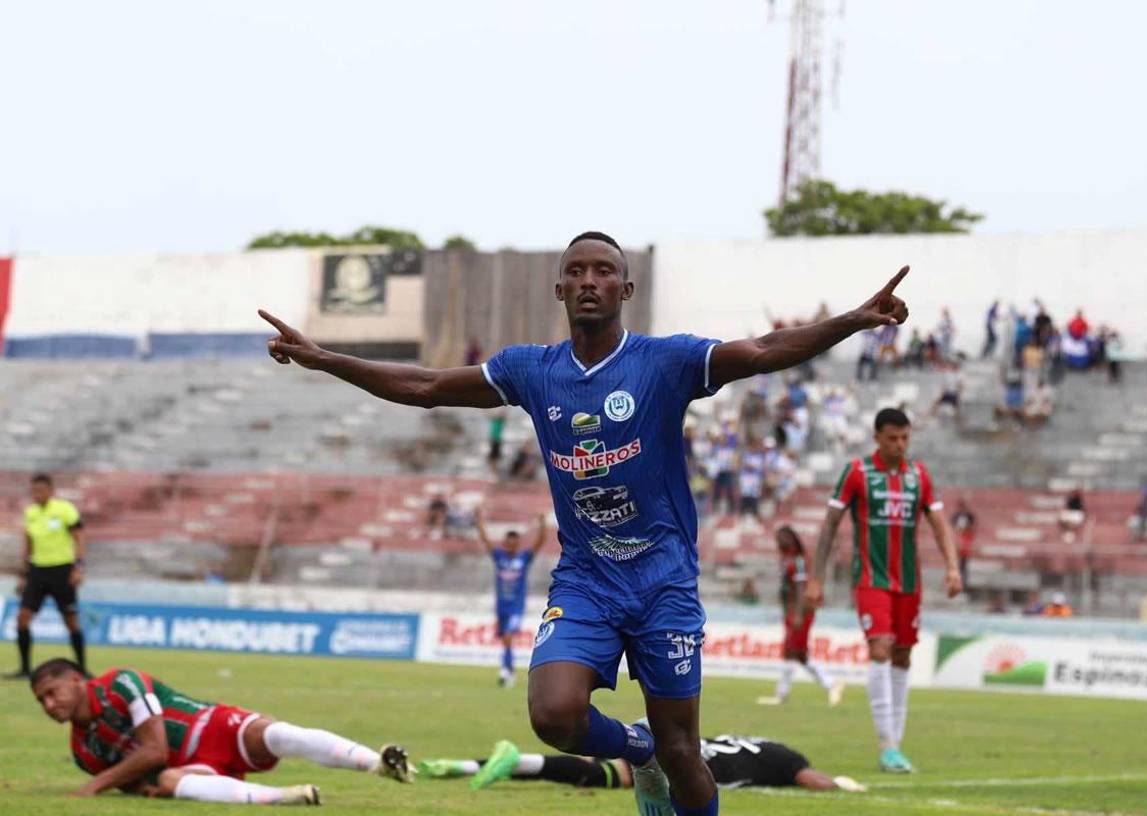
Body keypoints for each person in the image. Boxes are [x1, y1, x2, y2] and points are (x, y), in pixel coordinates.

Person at [259, 230, 911, 816]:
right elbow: (428, 386)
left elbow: (766, 349)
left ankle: (660, 756)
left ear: (625, 289)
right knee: (554, 713)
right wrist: (327, 360)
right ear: (560, 287)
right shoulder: (531, 371)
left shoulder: (665, 362)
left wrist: (854, 319)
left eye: (604, 271)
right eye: (578, 271)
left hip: (663, 583)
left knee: (686, 751)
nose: (590, 281)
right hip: (587, 582)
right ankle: (637, 749)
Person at [807, 408, 961, 774]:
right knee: (880, 648)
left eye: (905, 438)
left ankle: (896, 745)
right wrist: (817, 577)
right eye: (892, 438)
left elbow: (939, 523)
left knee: (903, 657)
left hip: (909, 582)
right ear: (877, 437)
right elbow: (830, 525)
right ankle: (887, 744)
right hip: (871, 579)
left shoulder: (919, 475)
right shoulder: (858, 472)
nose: (899, 445)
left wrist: (953, 567)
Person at [28, 658, 410, 802]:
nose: (49, 705)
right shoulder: (83, 751)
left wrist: (93, 788)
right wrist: (143, 787)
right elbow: (136, 780)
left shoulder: (122, 683)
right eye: (41, 701)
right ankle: (286, 797)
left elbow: (154, 750)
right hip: (194, 768)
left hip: (210, 727)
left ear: (77, 680)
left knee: (273, 734)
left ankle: (378, 763)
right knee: (170, 782)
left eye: (52, 692)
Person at [419, 733, 866, 794]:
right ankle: (517, 759)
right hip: (678, 766)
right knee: (605, 775)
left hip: (669, 741)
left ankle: (456, 764)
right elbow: (814, 783)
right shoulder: (789, 762)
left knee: (592, 765)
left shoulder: (756, 744)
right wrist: (843, 787)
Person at [756, 526, 844, 707]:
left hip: (801, 611)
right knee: (798, 654)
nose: (779, 541)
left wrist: (798, 613)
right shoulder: (786, 559)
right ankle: (829, 685)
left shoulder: (798, 561)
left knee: (792, 651)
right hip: (791, 611)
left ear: (792, 539)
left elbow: (801, 587)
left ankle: (785, 694)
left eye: (783, 537)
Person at [9, 474, 86, 679]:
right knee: (22, 619)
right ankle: (25, 669)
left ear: (50, 491)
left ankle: (82, 668)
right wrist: (23, 574)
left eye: (41, 491)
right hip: (37, 571)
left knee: (71, 620)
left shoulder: (64, 510)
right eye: (34, 491)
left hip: (62, 571)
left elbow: (78, 538)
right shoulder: (31, 513)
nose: (37, 495)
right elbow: (28, 544)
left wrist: (78, 568)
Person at [476, 509, 548, 687]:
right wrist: (479, 519)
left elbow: (539, 543)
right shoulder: (498, 556)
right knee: (504, 640)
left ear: (517, 544)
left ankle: (506, 671)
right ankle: (509, 670)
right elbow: (485, 539)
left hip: (517, 606)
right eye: (508, 542)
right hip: (501, 605)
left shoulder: (523, 558)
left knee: (508, 636)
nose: (510, 545)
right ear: (505, 543)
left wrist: (542, 523)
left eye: (514, 543)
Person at [951, 498, 976, 588]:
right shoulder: (955, 516)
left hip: (964, 543)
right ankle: (954, 582)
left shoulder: (969, 516)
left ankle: (964, 582)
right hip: (957, 542)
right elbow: (952, 527)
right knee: (956, 563)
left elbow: (973, 528)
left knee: (963, 564)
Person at [487, 408, 506, 473]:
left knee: (494, 457)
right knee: (493, 457)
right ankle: (494, 471)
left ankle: (494, 472)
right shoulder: (495, 421)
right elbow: (490, 415)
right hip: (494, 440)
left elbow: (503, 415)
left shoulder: (500, 421)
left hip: (496, 440)